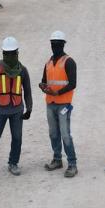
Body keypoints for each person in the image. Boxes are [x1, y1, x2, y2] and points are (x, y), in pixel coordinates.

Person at [0, 36, 32, 178]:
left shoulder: (22, 70)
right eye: (6, 53)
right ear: (3, 53)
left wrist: (29, 109)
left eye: (12, 53)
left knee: (17, 138)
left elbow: (27, 91)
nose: (9, 56)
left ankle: (13, 163)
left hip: (17, 110)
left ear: (17, 53)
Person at [39, 31, 78, 178]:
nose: (54, 47)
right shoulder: (48, 62)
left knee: (65, 134)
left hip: (64, 104)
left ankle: (72, 164)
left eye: (57, 44)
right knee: (53, 133)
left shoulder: (69, 62)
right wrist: (42, 86)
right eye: (52, 44)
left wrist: (58, 93)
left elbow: (73, 83)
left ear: (63, 45)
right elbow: (44, 80)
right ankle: (57, 159)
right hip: (50, 103)